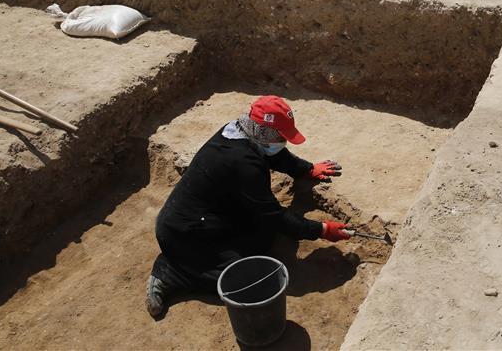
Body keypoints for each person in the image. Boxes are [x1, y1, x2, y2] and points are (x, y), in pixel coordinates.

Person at [145, 95, 349, 318]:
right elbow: (273, 216)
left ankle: (188, 264)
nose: (283, 141)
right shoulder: (243, 163)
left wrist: (307, 169)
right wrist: (321, 230)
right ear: (262, 132)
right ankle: (170, 273)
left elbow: (274, 153)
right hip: (185, 233)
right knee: (247, 279)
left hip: (212, 214)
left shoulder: (242, 133)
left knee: (263, 237)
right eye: (280, 136)